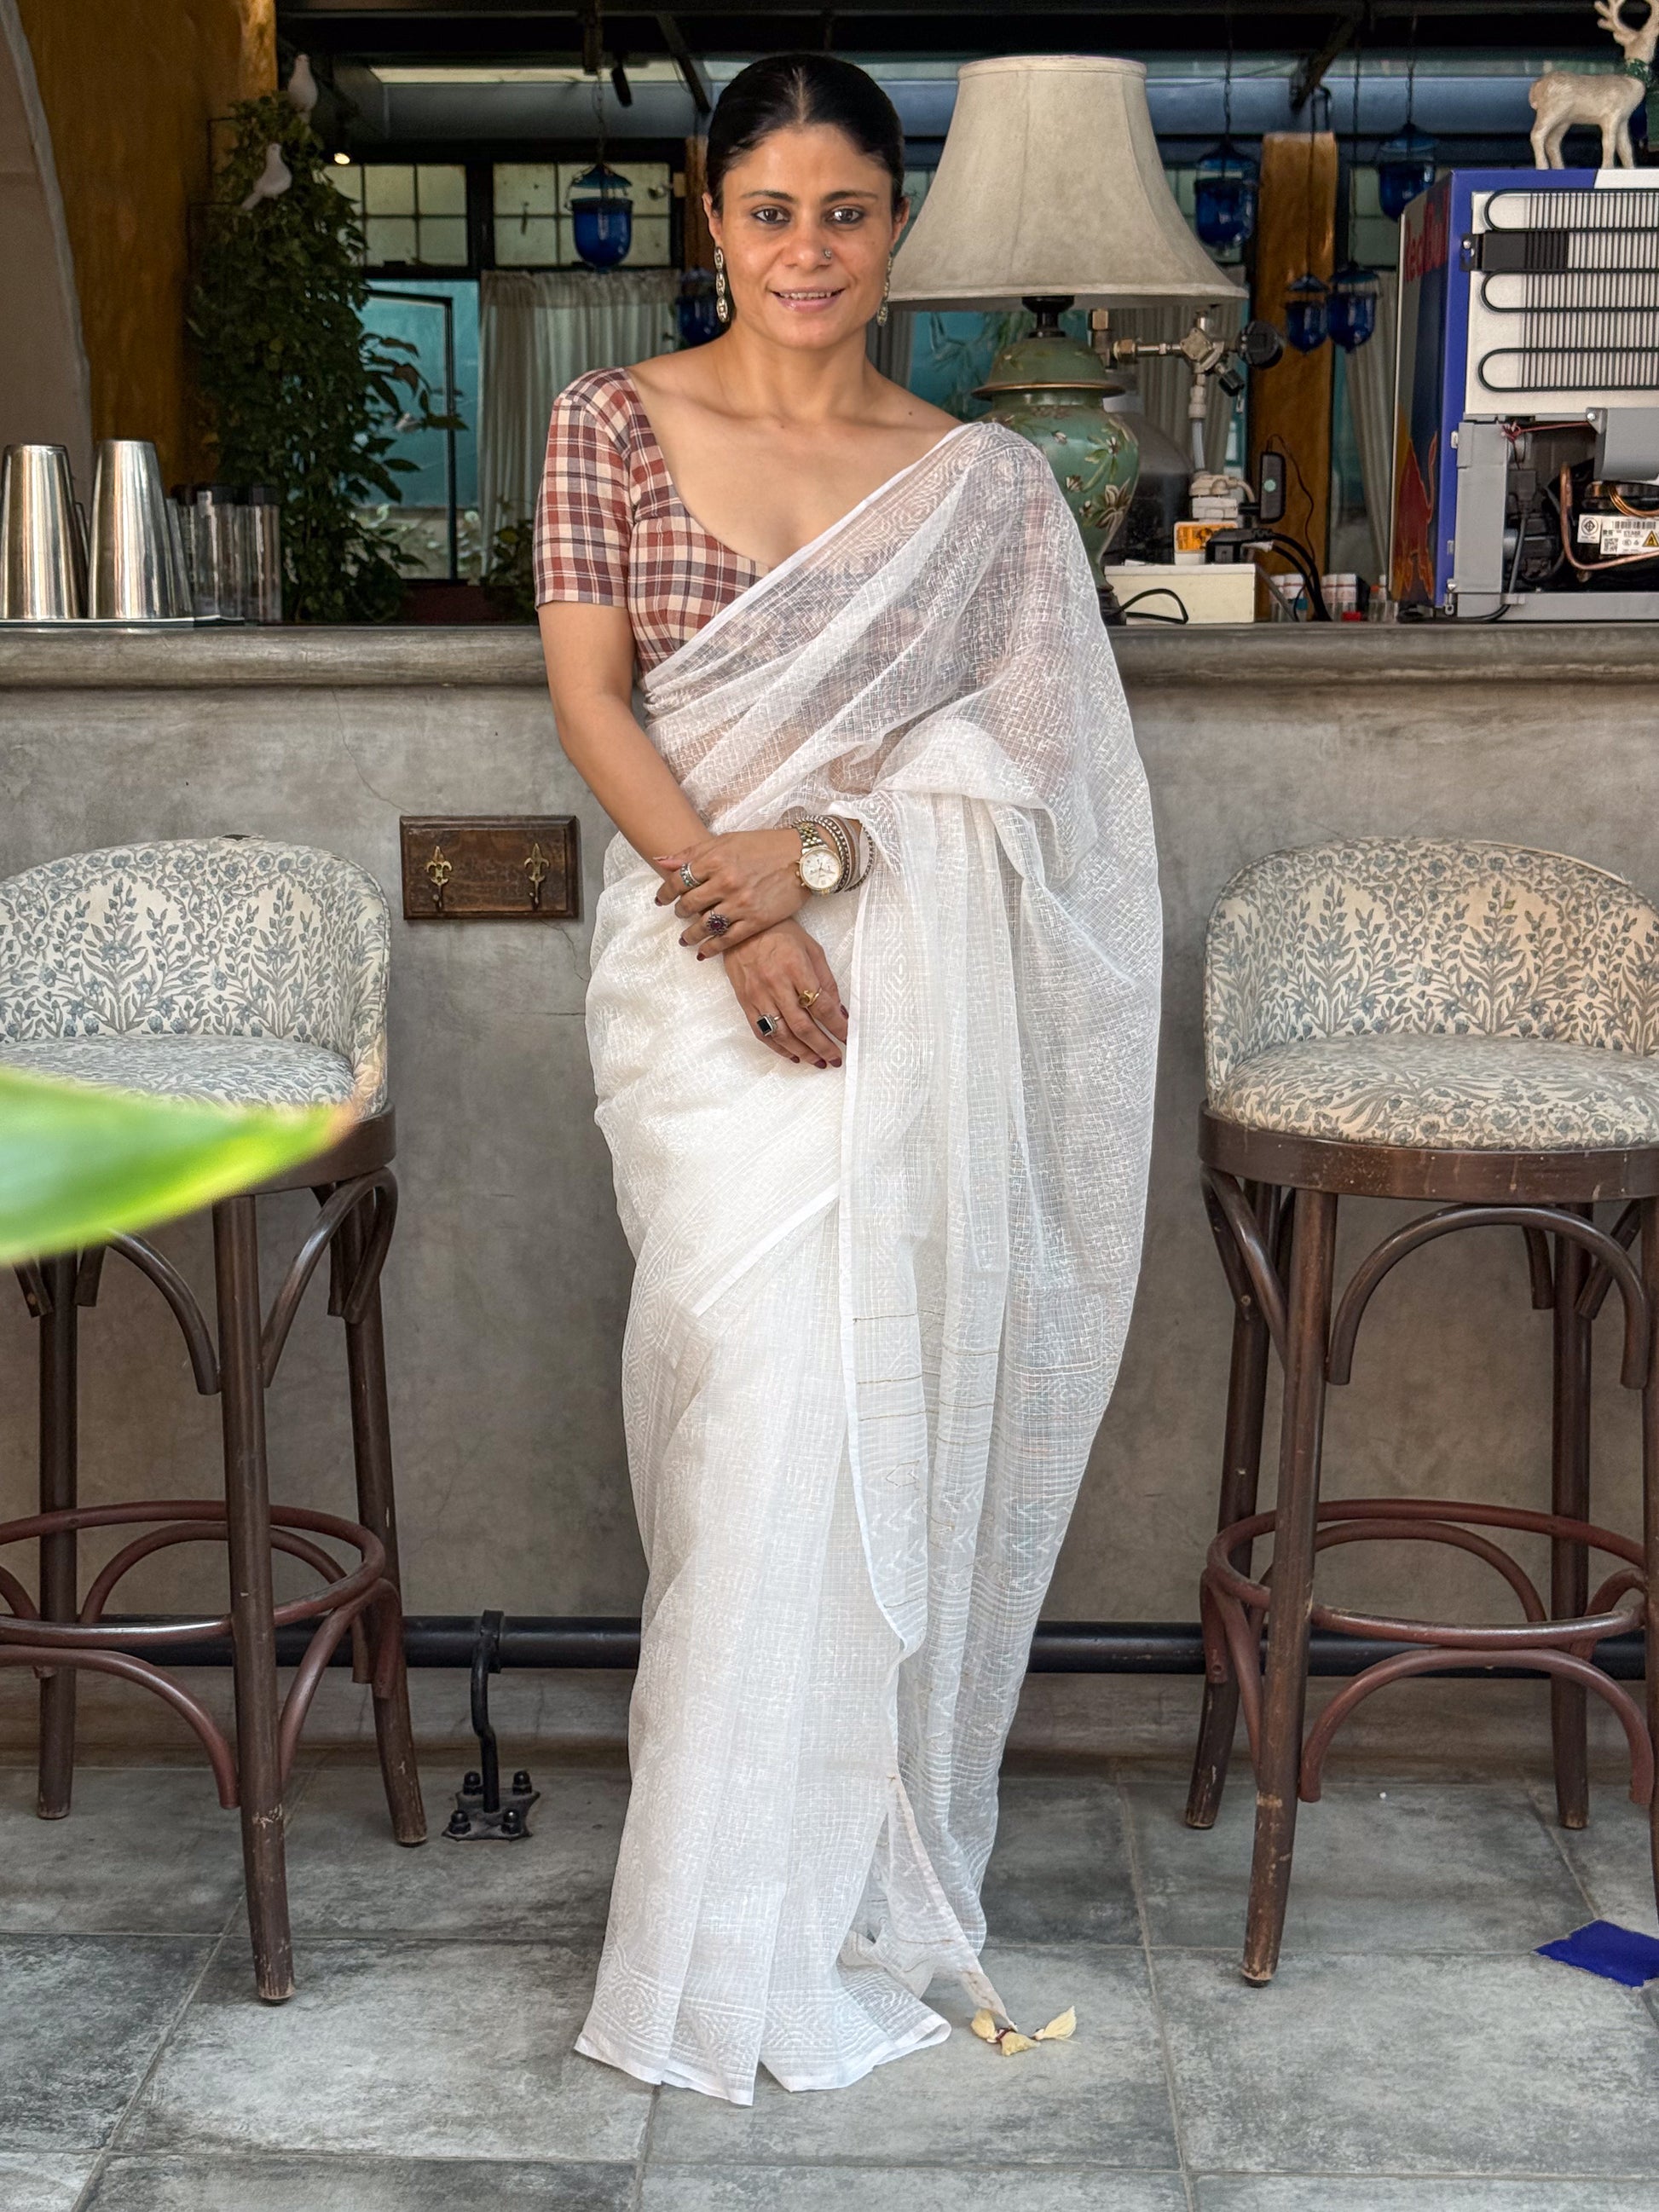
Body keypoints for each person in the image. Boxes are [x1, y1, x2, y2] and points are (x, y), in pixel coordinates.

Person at [535, 50, 1160, 2106]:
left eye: (845, 211)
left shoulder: (981, 480)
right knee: (745, 1415)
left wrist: (815, 856)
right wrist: (734, 913)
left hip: (901, 977)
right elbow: (594, 700)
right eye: (768, 210)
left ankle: (751, 1931)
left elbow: (1036, 753)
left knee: (836, 1406)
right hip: (690, 979)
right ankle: (737, 1906)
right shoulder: (608, 423)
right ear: (709, 219)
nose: (805, 250)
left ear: (895, 229)